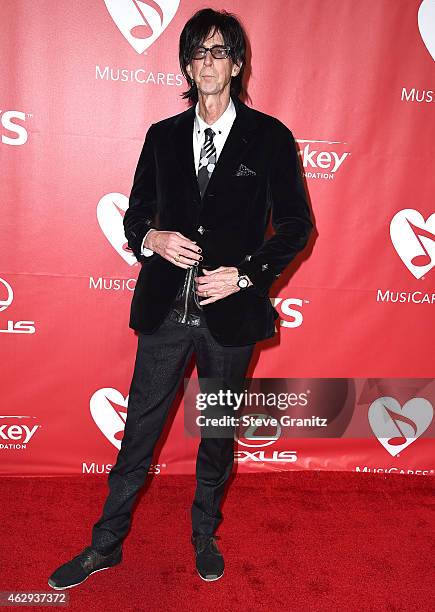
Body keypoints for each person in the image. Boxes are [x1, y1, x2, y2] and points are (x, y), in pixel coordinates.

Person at [48, 7, 313, 589]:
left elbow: (295, 226)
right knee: (138, 433)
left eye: (221, 52)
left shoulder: (269, 137)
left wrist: (244, 275)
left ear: (237, 64)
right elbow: (136, 215)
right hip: (166, 311)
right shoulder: (162, 136)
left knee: (216, 437)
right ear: (187, 67)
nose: (209, 62)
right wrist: (152, 237)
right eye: (199, 52)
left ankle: (203, 536)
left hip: (230, 317)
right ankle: (105, 545)